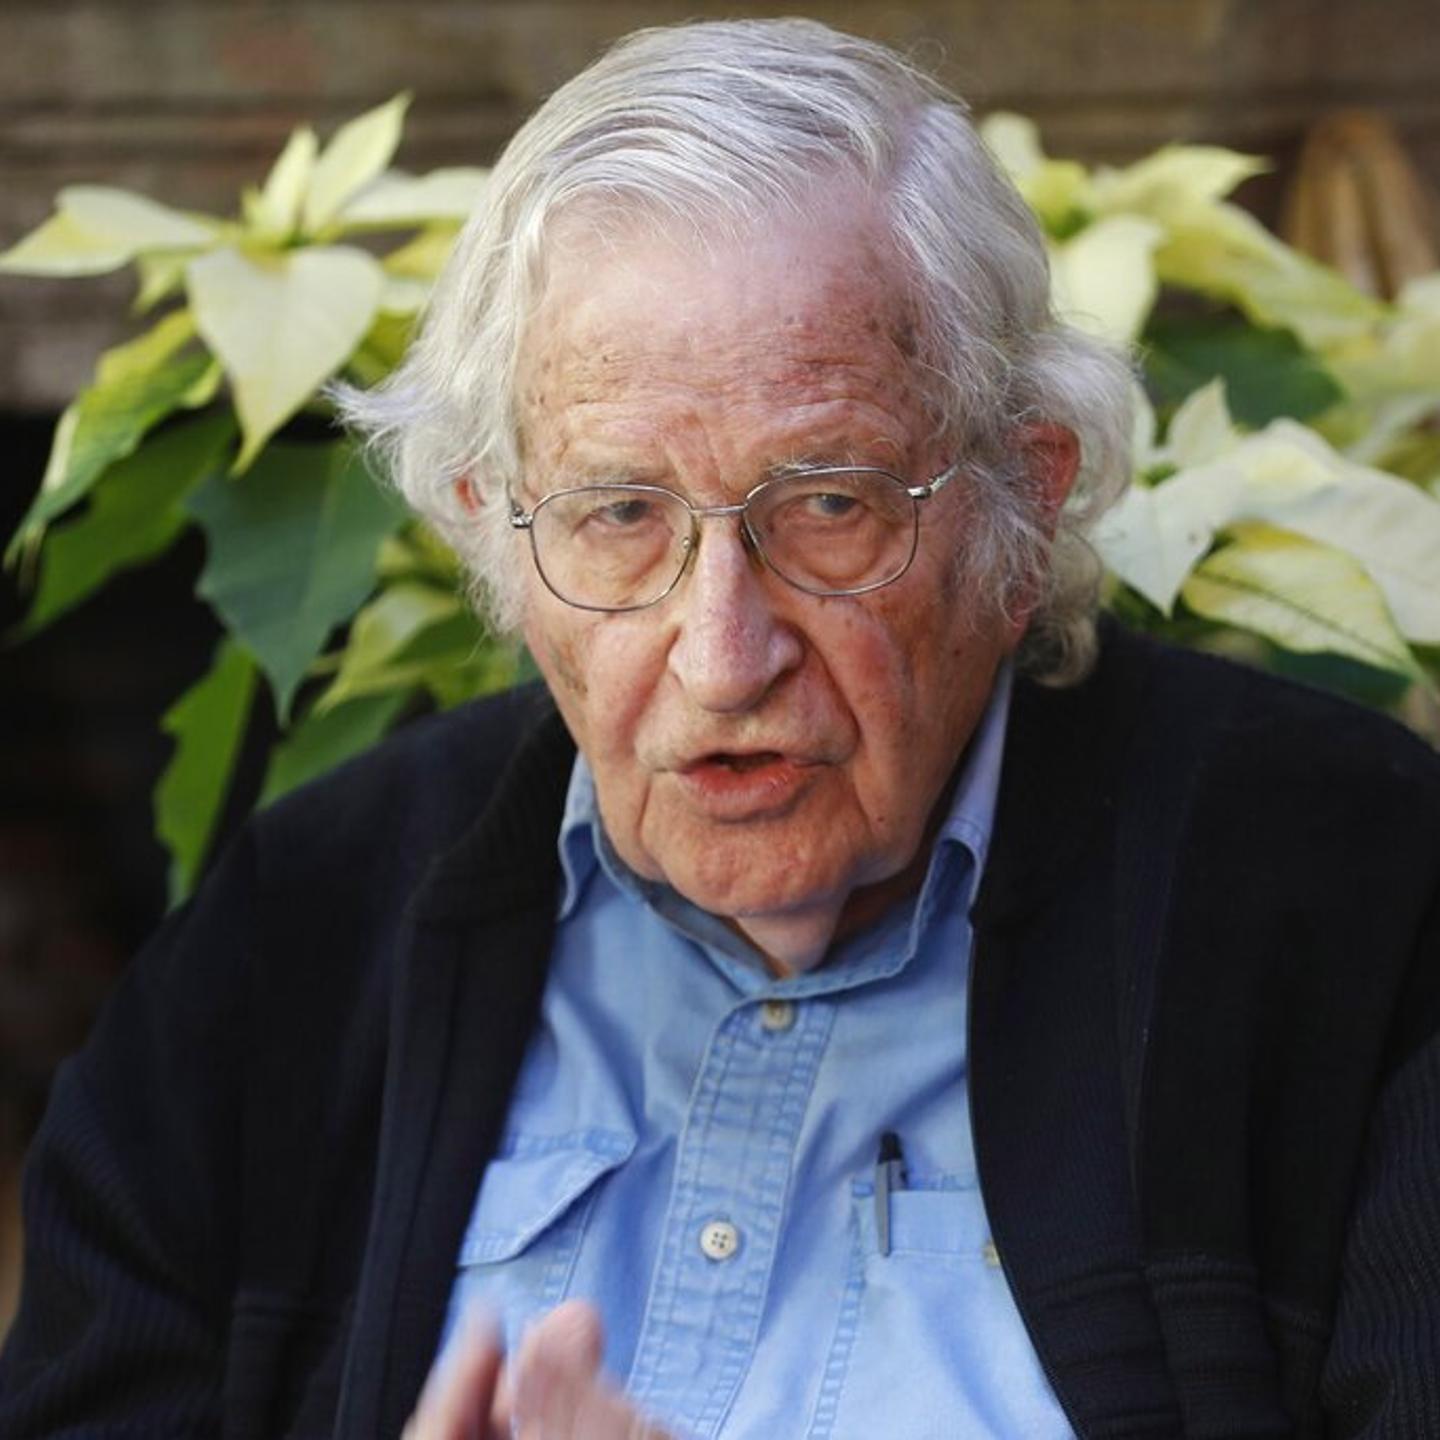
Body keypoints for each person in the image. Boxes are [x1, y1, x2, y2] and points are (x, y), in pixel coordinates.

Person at [3, 18, 1439, 1440]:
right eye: (619, 516)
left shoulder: (1364, 901)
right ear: (491, 535)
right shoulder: (286, 950)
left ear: (1021, 501)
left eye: (826, 506)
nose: (723, 653)